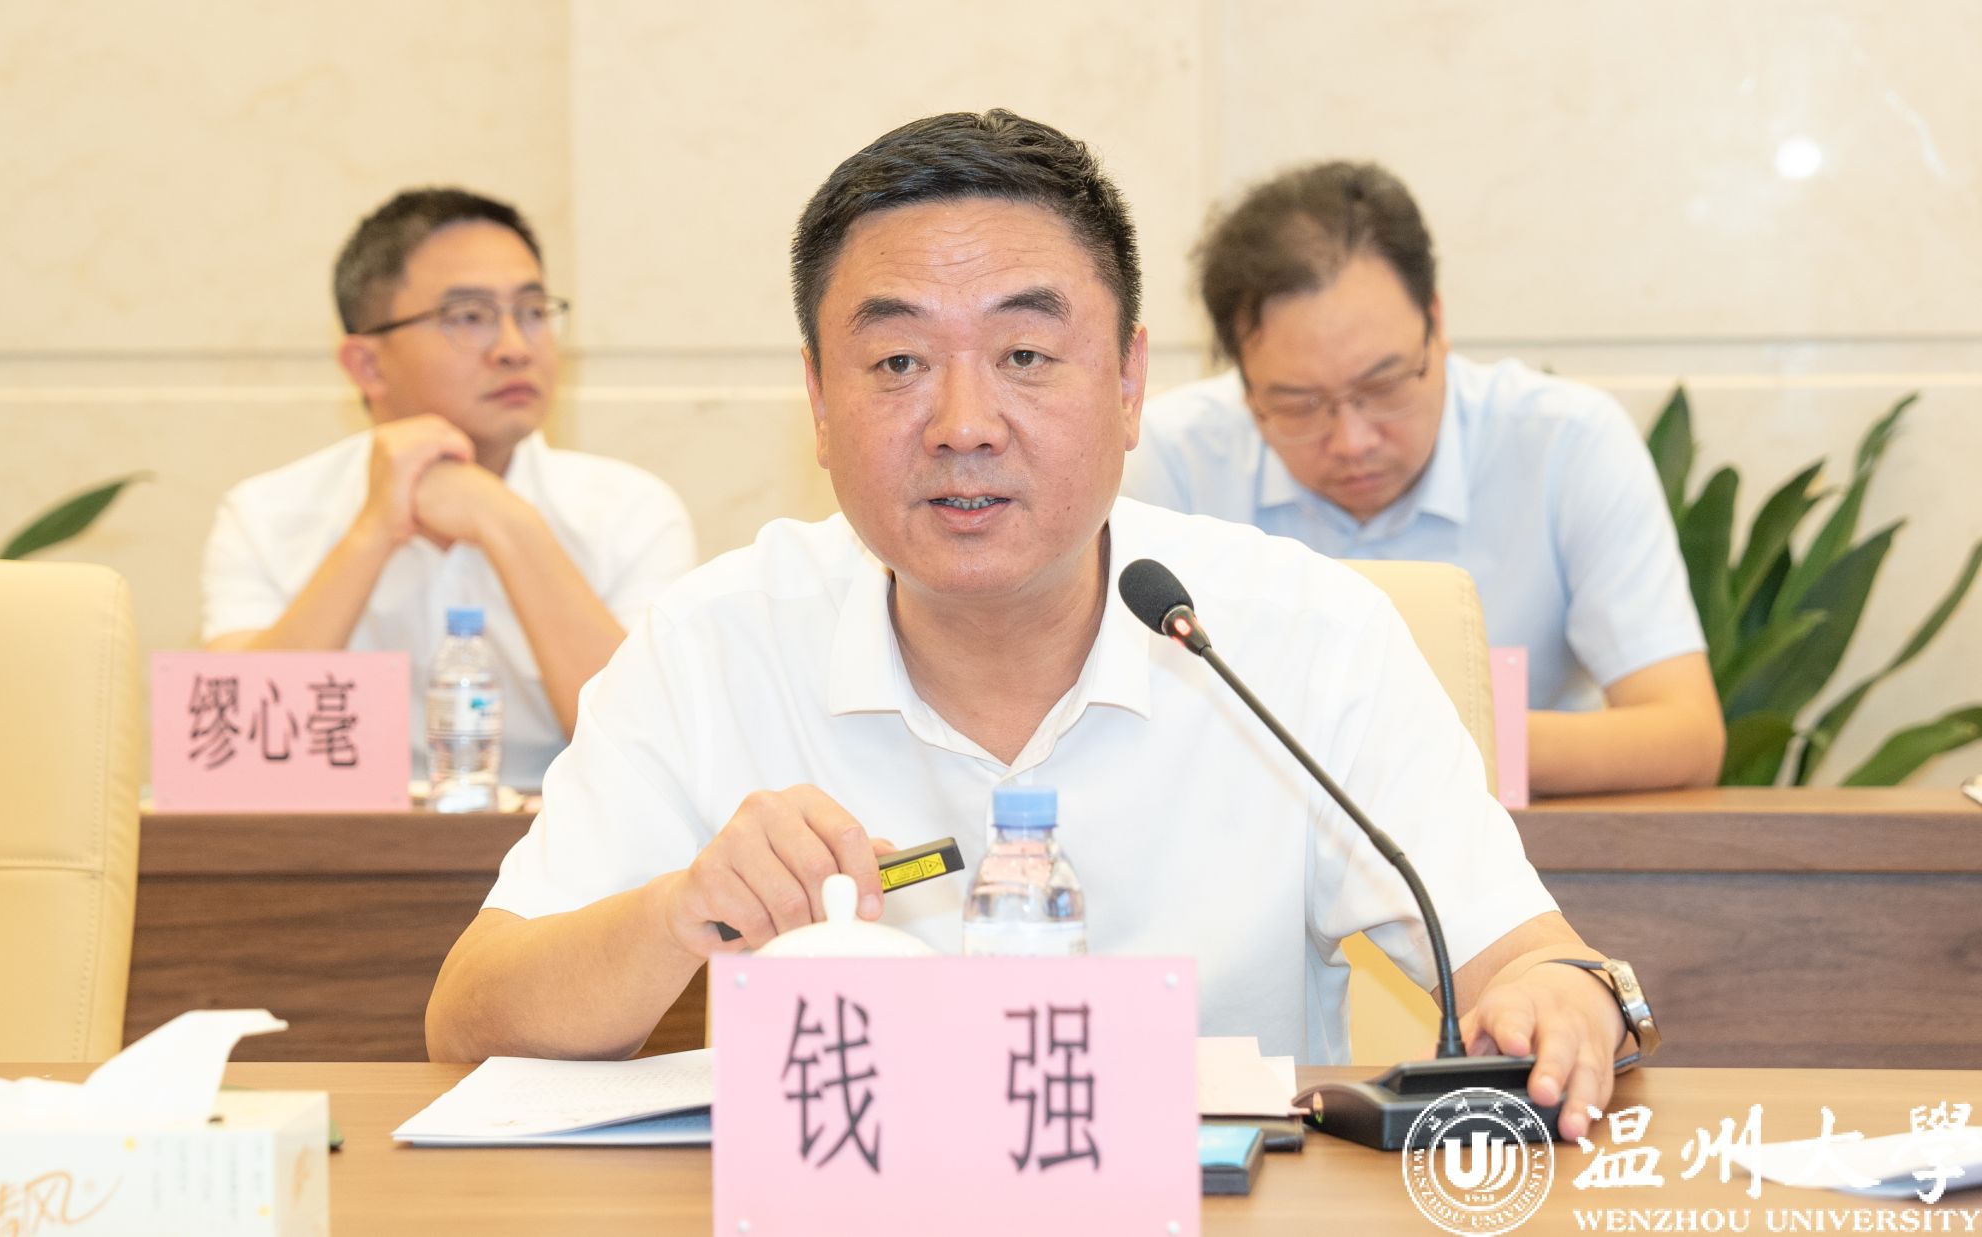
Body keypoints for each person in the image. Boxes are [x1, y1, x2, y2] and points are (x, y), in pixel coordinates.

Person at [427, 113, 1643, 1140]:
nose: (963, 423)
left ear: (1127, 384)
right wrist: (680, 912)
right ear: (816, 400)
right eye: (896, 363)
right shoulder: (711, 643)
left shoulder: (1300, 636)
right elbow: (470, 1019)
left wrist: (1561, 1001)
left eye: (1023, 352)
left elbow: (1527, 959)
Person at [1123, 162, 1724, 796]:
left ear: (1436, 326)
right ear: (1245, 386)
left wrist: (1416, 741)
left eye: (1383, 385)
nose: (1353, 440)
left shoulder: (1564, 444)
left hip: (1520, 841)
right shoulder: (1171, 457)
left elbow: (1685, 736)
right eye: (1299, 404)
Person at [201, 188, 695, 791]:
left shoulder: (631, 511)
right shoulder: (264, 514)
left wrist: (506, 523)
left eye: (533, 311)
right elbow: (233, 755)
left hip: (563, 843)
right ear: (367, 365)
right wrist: (371, 534)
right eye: (469, 317)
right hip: (334, 840)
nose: (515, 348)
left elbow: (655, 747)